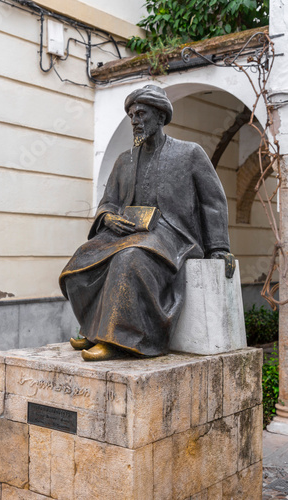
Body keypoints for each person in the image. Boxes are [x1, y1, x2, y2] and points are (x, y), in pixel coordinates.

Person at [59, 85, 234, 361]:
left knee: (129, 259)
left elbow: (213, 201)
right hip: (128, 231)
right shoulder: (124, 160)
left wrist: (219, 247)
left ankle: (117, 339)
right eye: (131, 116)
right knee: (81, 261)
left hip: (173, 234)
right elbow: (108, 202)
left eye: (141, 114)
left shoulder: (190, 154)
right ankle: (93, 329)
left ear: (160, 116)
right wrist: (109, 218)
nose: (135, 121)